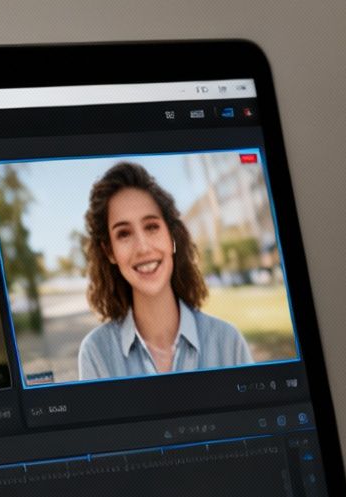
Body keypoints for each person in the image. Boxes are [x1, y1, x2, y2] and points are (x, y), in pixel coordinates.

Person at [75, 161, 255, 381]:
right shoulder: (96, 353)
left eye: (151, 227)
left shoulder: (228, 343)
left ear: (171, 237)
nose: (142, 247)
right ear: (110, 252)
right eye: (124, 234)